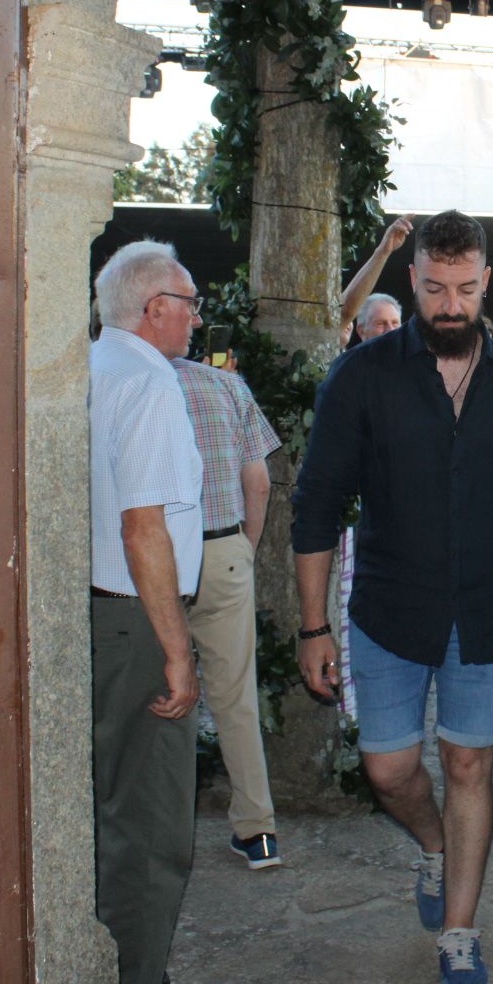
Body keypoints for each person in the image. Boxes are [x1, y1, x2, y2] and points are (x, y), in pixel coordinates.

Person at [291, 210, 493, 984]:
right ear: (413, 281)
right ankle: (435, 844)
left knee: (469, 762)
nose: (449, 304)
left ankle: (460, 930)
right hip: (388, 612)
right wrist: (312, 626)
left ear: (485, 285)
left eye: (464, 290)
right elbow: (316, 503)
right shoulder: (364, 375)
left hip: (487, 611)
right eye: (434, 288)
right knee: (389, 768)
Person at [88, 239, 205, 984]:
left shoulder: (93, 367)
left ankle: (103, 973)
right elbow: (144, 529)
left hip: (99, 615)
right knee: (155, 823)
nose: (198, 317)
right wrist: (177, 650)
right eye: (191, 302)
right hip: (137, 620)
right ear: (155, 309)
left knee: (107, 806)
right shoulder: (150, 383)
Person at [172, 351, 284, 871]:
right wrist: (244, 548)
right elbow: (258, 482)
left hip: (146, 562)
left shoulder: (108, 379)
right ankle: (258, 832)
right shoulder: (224, 386)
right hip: (223, 551)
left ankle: (164, 832)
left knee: (161, 696)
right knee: (236, 698)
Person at [339, 215, 413, 347]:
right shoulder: (349, 365)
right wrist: (383, 251)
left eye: (395, 323)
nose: (390, 330)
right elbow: (344, 312)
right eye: (380, 324)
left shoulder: (414, 364)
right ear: (361, 331)